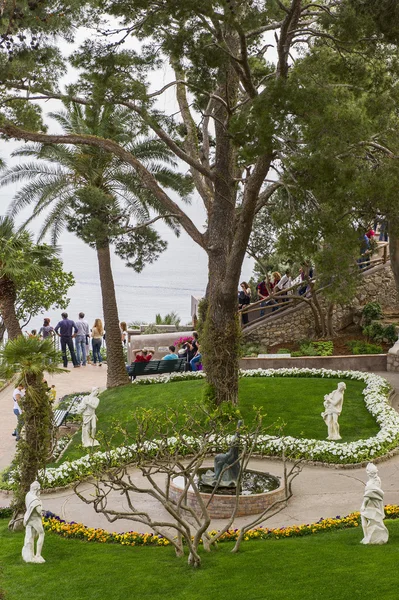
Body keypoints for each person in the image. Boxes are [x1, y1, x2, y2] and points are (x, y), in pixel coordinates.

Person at [360, 463, 389, 545]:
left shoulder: (370, 483)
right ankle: (369, 537)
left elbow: (367, 496)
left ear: (368, 473)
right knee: (375, 520)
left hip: (371, 504)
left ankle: (367, 537)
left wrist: (363, 505)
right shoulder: (377, 480)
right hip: (376, 503)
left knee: (364, 516)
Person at [22, 481, 45, 563]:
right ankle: (38, 555)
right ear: (36, 490)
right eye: (39, 490)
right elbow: (39, 511)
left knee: (30, 536)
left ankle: (29, 554)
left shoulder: (28, 495)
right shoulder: (36, 500)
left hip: (28, 519)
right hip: (35, 519)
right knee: (41, 534)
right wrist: (40, 504)